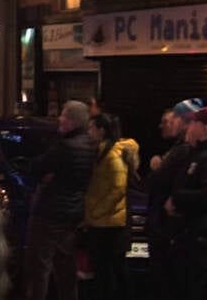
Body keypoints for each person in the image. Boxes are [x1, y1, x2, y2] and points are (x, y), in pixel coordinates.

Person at [23, 100, 97, 300]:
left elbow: (35, 167)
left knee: (39, 266)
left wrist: (46, 176)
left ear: (72, 121)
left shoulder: (65, 147)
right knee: (66, 265)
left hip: (49, 212)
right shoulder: (90, 146)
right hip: (73, 213)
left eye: (63, 115)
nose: (59, 119)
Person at [145, 98, 202, 300]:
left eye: (174, 118)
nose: (170, 122)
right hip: (168, 224)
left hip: (166, 225)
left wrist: (157, 168)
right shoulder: (183, 149)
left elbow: (156, 181)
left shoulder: (182, 150)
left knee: (166, 280)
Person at [164, 106, 207, 300]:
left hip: (203, 240)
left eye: (193, 123)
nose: (188, 127)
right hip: (193, 237)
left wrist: (178, 198)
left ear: (205, 128)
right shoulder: (200, 154)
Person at [83, 113, 137, 300]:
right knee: (112, 268)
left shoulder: (112, 155)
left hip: (108, 223)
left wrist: (96, 212)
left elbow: (117, 188)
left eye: (91, 128)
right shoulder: (102, 151)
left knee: (109, 269)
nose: (88, 132)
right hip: (106, 221)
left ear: (101, 130)